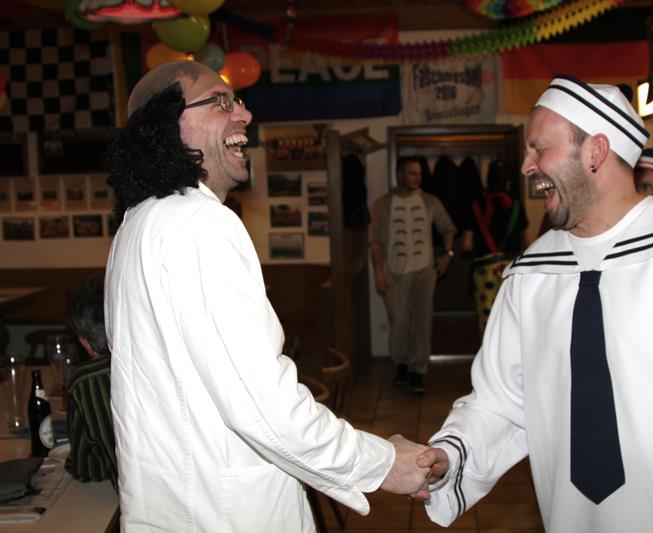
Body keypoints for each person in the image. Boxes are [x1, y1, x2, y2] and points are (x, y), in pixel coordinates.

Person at [414, 76, 653, 532]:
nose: (527, 166)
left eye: (539, 148)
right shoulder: (531, 274)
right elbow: (500, 401)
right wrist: (451, 453)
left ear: (595, 151)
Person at [104, 61, 429, 532]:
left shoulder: (136, 225)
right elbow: (264, 406)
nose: (244, 114)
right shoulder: (199, 224)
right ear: (166, 125)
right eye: (220, 102)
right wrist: (383, 463)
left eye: (236, 100)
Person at [369, 157, 457, 394]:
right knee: (398, 321)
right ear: (399, 175)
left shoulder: (430, 201)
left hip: (424, 271)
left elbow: (448, 227)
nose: (418, 178)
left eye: (419, 174)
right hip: (393, 271)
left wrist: (448, 254)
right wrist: (378, 272)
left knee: (422, 321)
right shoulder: (382, 204)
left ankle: (418, 371)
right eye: (412, 174)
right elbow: (375, 241)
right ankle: (400, 365)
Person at [462, 159, 528, 333]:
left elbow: (466, 245)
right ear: (508, 183)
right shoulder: (517, 206)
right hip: (512, 270)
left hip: (485, 272)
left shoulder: (475, 206)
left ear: (487, 181)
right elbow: (527, 243)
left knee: (488, 318)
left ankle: (489, 348)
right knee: (513, 316)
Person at [64, 276, 116, 490]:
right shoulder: (159, 361)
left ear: (84, 343)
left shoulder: (86, 380)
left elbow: (84, 468)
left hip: (137, 501)